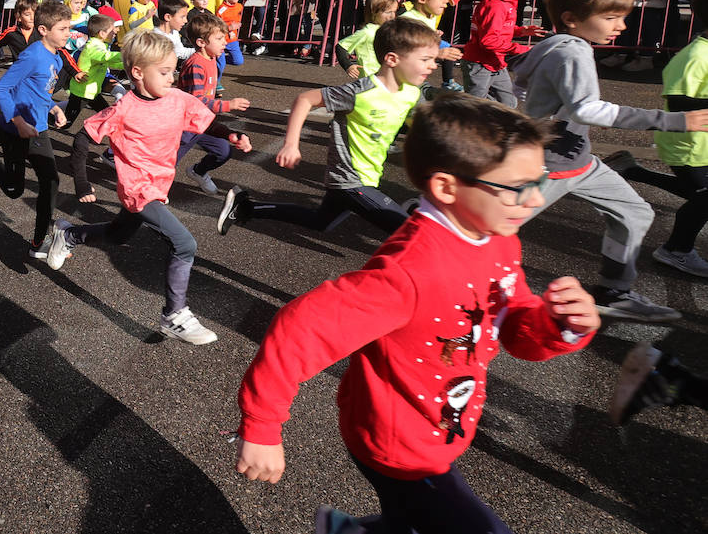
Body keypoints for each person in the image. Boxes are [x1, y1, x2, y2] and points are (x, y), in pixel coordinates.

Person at [234, 93, 600, 534]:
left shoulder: (500, 237)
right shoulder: (410, 273)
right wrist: (263, 426)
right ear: (446, 187)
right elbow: (301, 329)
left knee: (411, 522)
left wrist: (559, 324)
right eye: (518, 188)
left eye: (538, 181)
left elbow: (516, 323)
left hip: (439, 428)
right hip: (399, 445)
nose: (535, 199)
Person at [511, 0, 708, 323]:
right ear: (572, 18)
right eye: (610, 17)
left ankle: (615, 292)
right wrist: (675, 121)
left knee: (635, 213)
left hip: (581, 161)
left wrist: (535, 113)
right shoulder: (573, 51)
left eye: (623, 16)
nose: (621, 25)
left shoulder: (557, 44)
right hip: (550, 164)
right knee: (490, 226)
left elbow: (520, 77)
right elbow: (588, 109)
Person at [46, 31, 252, 344]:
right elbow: (83, 138)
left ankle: (69, 234)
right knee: (185, 244)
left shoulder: (178, 99)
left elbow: (205, 120)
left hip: (159, 185)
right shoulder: (122, 109)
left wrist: (230, 135)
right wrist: (82, 183)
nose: (173, 78)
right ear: (138, 73)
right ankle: (174, 314)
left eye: (173, 71)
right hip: (138, 190)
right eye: (165, 72)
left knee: (118, 235)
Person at [220, 18, 433, 238]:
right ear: (392, 59)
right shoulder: (360, 92)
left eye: (434, 59)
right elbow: (305, 99)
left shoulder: (411, 93)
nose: (433, 65)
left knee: (320, 221)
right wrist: (291, 145)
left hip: (369, 175)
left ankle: (245, 208)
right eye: (425, 59)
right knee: (408, 234)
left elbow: (425, 128)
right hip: (349, 179)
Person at [602, 0, 708, 277]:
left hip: (703, 144)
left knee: (697, 194)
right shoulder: (696, 56)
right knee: (704, 199)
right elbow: (677, 102)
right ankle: (676, 250)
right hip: (687, 143)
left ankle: (632, 171)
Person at [0, 0, 70, 258]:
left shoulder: (57, 58)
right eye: (62, 29)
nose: (68, 34)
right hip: (14, 129)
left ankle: (39, 242)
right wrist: (18, 121)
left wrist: (54, 107)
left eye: (68, 28)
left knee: (51, 181)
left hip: (38, 129)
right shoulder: (32, 55)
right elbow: (1, 89)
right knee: (14, 190)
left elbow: (40, 91)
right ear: (43, 30)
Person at [176, 14, 251, 194]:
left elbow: (204, 108)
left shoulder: (212, 60)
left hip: (202, 123)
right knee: (165, 165)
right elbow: (197, 101)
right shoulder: (196, 65)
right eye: (218, 38)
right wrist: (228, 105)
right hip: (184, 127)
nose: (224, 42)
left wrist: (232, 134)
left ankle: (198, 172)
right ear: (201, 42)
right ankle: (147, 197)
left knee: (223, 150)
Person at [399, 0, 464, 93]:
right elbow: (402, 54)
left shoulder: (428, 16)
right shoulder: (408, 22)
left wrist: (431, 35)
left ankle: (447, 81)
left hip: (412, 81)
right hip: (401, 84)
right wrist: (436, 54)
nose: (446, 1)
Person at [63, 14, 122, 126]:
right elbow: (106, 57)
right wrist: (128, 55)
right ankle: (41, 121)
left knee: (107, 115)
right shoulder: (93, 47)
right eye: (112, 29)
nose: (115, 32)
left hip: (91, 91)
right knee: (65, 123)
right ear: (102, 33)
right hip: (81, 92)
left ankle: (89, 134)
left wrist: (128, 65)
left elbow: (110, 62)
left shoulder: (100, 45)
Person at [335, 0, 399, 80]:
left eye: (394, 11)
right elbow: (340, 47)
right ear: (374, 12)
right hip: (370, 78)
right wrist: (348, 65)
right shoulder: (367, 32)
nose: (392, 16)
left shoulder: (389, 30)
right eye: (388, 12)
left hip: (387, 76)